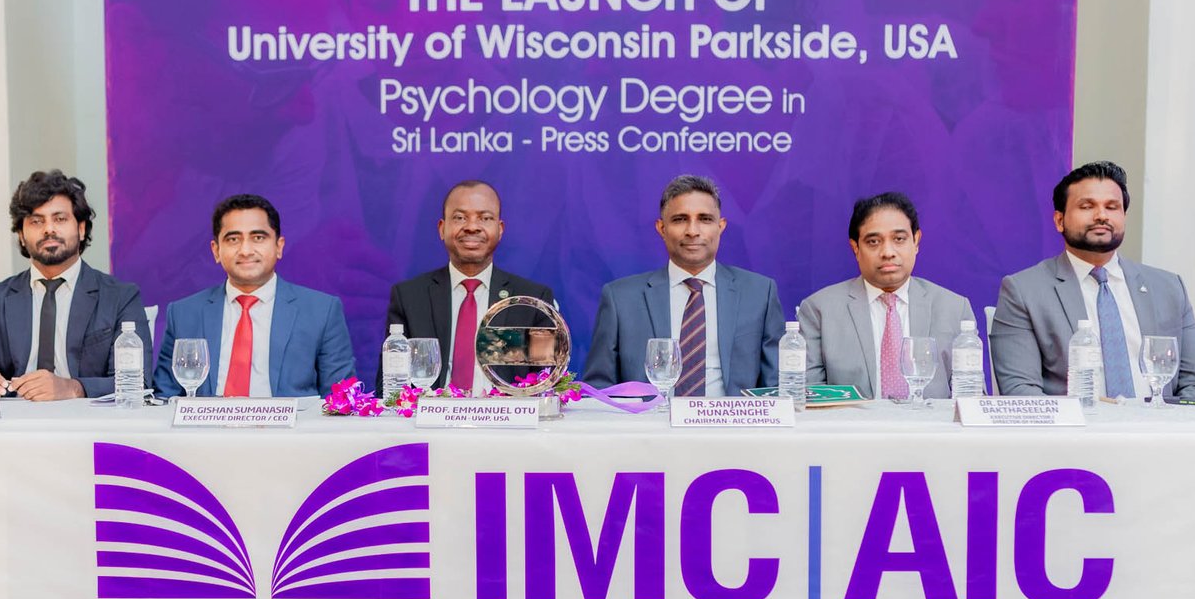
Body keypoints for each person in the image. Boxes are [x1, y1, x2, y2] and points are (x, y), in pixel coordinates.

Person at [990, 161, 1195, 399]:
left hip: (1157, 421)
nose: (1101, 216)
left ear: (1124, 216)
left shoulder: (1168, 288)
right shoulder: (1024, 291)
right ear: (1059, 220)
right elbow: (1021, 392)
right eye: (1087, 206)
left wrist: (1165, 420)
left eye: (1112, 207)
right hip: (1076, 422)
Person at [0, 170, 149, 400]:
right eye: (36, 221)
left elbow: (138, 385)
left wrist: (73, 388)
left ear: (81, 229)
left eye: (60, 219)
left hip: (87, 420)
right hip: (13, 420)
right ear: (21, 235)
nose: (48, 229)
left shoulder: (120, 297)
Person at [583, 175, 784, 396]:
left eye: (705, 219)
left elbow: (775, 388)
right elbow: (599, 389)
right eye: (680, 219)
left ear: (720, 226)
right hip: (649, 418)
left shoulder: (759, 293)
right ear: (662, 228)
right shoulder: (620, 298)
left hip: (733, 419)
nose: (692, 231)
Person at [153, 194, 353, 397]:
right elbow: (165, 397)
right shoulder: (184, 314)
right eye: (233, 239)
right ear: (216, 250)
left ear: (279, 246)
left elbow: (341, 399)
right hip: (207, 419)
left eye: (258, 238)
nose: (246, 250)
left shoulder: (321, 311)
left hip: (292, 419)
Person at [381, 180, 556, 393]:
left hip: (505, 413)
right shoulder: (410, 297)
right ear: (442, 228)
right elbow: (390, 388)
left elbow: (546, 385)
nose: (472, 227)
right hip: (431, 413)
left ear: (500, 229)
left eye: (485, 218)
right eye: (460, 217)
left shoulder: (531, 301)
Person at [797, 192, 975, 400]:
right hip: (851, 421)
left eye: (899, 239)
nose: (888, 252)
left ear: (916, 241)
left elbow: (971, 399)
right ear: (855, 248)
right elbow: (810, 399)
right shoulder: (819, 310)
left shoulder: (954, 308)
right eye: (873, 242)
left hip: (932, 421)